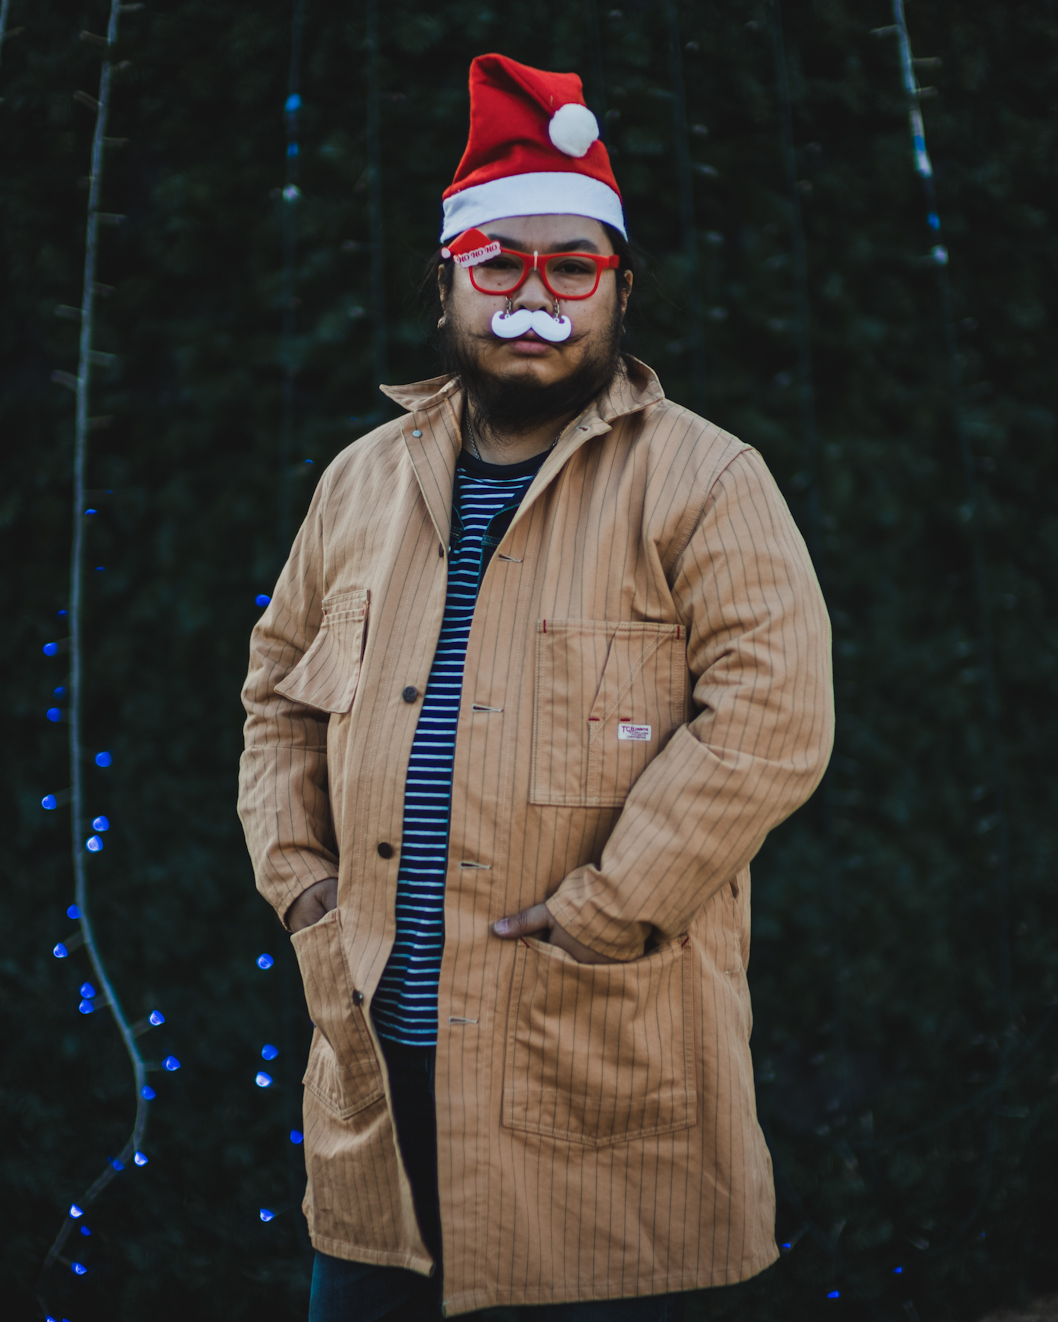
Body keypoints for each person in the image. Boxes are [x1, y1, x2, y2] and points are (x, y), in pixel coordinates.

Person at [239, 52, 834, 1321]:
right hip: (376, 1090)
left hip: (592, 1082)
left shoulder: (705, 482)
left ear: (620, 287)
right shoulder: (356, 484)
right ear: (445, 277)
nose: (532, 297)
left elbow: (773, 719)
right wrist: (302, 892)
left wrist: (610, 907)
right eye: (498, 261)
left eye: (572, 266)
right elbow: (278, 699)